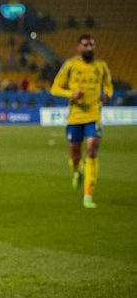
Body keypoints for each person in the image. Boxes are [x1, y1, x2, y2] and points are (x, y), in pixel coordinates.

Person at [49, 34, 113, 208]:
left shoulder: (101, 66)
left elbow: (108, 85)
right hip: (75, 117)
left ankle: (88, 196)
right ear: (78, 48)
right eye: (85, 45)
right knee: (75, 156)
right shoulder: (70, 65)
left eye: (91, 45)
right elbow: (55, 88)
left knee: (92, 149)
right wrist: (71, 94)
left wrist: (108, 94)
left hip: (94, 116)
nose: (89, 48)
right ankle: (78, 171)